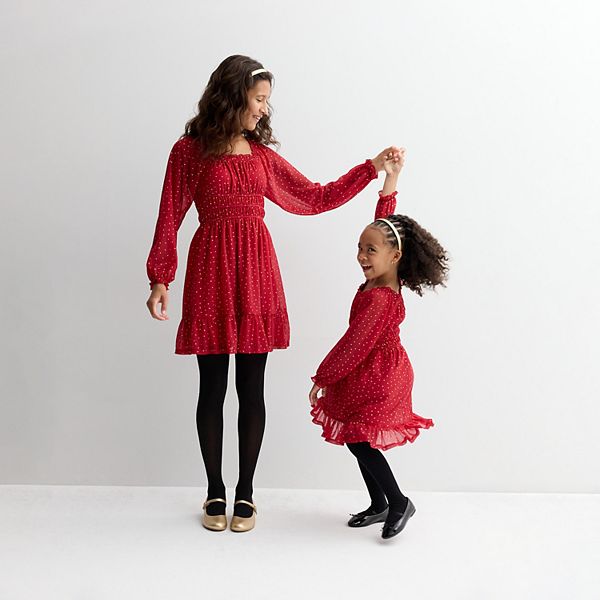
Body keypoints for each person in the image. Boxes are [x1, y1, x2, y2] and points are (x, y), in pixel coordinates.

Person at [146, 54, 401, 533]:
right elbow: (169, 214)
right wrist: (161, 277)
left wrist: (371, 169)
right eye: (259, 99)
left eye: (266, 100)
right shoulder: (189, 151)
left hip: (257, 273)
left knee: (252, 388)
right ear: (233, 96)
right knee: (211, 389)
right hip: (210, 271)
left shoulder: (261, 156)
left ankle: (245, 492)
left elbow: (314, 196)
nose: (264, 109)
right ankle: (214, 490)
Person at [309, 149, 449, 539]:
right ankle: (379, 504)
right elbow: (384, 225)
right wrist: (391, 178)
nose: (361, 256)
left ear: (394, 256)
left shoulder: (381, 298)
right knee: (356, 439)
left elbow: (354, 344)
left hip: (380, 374)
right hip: (368, 370)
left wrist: (323, 376)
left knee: (359, 440)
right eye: (360, 247)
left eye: (369, 250)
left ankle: (398, 502)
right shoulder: (385, 276)